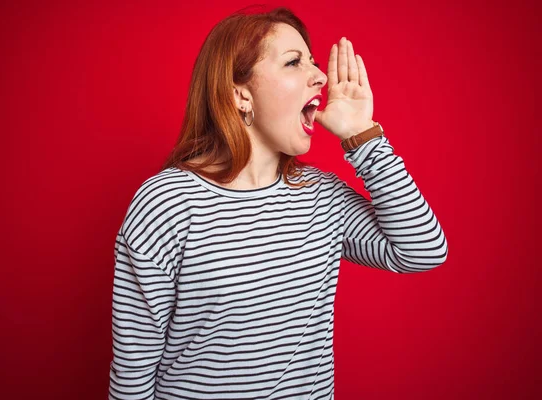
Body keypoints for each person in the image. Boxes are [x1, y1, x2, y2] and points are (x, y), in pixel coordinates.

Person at [108, 6, 448, 400]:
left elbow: (422, 251)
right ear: (240, 95)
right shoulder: (167, 203)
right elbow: (132, 373)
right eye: (293, 62)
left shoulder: (321, 196)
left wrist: (363, 136)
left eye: (314, 62)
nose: (321, 76)